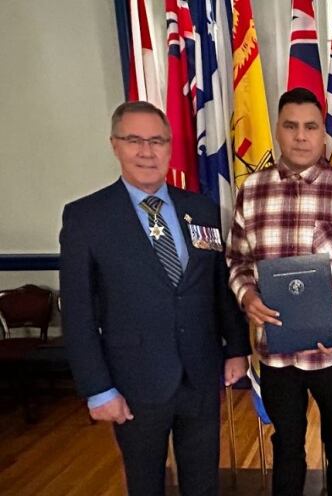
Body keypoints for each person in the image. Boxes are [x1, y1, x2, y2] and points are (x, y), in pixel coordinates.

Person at [59, 101, 250, 496]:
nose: (146, 151)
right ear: (115, 145)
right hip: (133, 382)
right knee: (145, 483)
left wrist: (236, 348)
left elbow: (217, 286)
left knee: (203, 482)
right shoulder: (86, 217)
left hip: (200, 373)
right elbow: (77, 313)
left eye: (157, 141)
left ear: (169, 147)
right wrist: (98, 389)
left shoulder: (201, 209)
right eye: (134, 140)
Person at [225, 87, 332, 496]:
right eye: (290, 126)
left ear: (322, 132)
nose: (301, 136)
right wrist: (247, 296)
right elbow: (237, 260)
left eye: (311, 127)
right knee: (286, 444)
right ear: (277, 129)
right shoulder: (252, 191)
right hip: (274, 349)